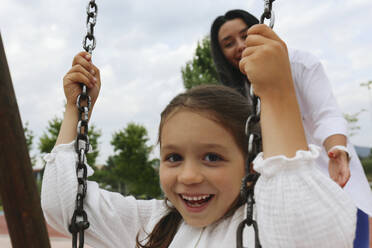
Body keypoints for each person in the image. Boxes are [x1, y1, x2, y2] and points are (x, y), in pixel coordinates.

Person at [41, 47, 356, 247]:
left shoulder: (265, 223)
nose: (188, 176)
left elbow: (313, 232)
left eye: (212, 157)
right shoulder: (154, 222)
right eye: (174, 157)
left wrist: (277, 95)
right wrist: (76, 110)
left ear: (251, 164)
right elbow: (64, 204)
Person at [210, 9, 372, 247]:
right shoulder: (237, 94)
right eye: (228, 43)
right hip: (282, 190)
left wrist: (337, 149)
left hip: (329, 170)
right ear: (221, 54)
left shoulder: (299, 64)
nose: (240, 45)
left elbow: (327, 114)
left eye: (246, 35)